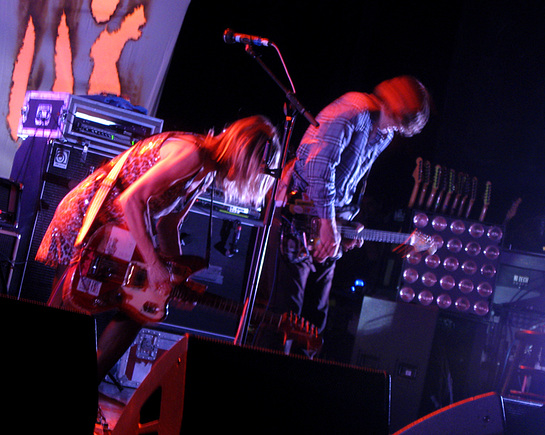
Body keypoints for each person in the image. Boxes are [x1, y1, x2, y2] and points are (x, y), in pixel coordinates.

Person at [35, 115, 280, 383]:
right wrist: (153, 265)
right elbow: (131, 200)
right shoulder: (192, 154)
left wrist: (176, 281)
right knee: (69, 311)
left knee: (141, 311)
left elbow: (168, 224)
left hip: (118, 236)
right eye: (262, 163)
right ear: (245, 150)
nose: (260, 171)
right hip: (90, 220)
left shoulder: (205, 172)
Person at [258, 75, 432, 355]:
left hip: (325, 225)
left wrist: (345, 226)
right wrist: (328, 224)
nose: (394, 131)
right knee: (283, 317)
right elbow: (319, 167)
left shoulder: (383, 134)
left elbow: (348, 184)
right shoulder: (353, 111)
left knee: (313, 322)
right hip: (297, 219)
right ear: (396, 108)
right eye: (398, 124)